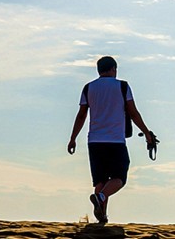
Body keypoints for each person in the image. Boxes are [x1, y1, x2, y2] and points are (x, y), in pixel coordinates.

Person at [67, 56, 157, 224]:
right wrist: (146, 132)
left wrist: (73, 138)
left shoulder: (89, 88)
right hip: (115, 140)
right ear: (113, 69)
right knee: (119, 178)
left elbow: (81, 116)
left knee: (100, 179)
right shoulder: (122, 86)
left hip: (94, 140)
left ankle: (102, 216)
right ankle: (100, 198)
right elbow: (133, 113)